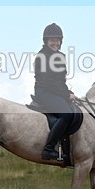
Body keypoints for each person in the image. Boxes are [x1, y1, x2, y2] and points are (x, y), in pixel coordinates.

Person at [34, 23, 77, 160]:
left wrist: (69, 93)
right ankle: (48, 148)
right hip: (44, 91)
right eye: (52, 40)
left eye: (57, 40)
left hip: (56, 91)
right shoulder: (42, 56)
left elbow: (61, 81)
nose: (55, 43)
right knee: (67, 114)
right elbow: (49, 82)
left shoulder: (61, 56)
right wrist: (66, 95)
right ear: (46, 41)